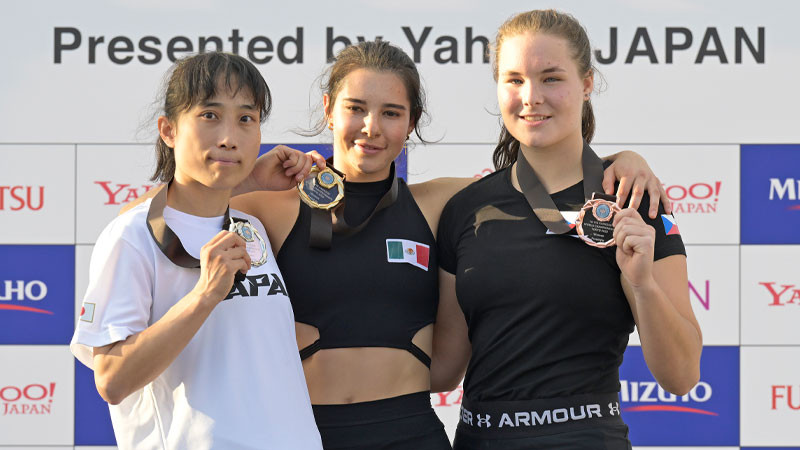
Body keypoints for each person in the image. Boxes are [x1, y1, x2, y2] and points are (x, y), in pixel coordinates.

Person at [123, 42, 669, 449]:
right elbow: (151, 224)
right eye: (356, 108)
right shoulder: (270, 209)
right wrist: (246, 179)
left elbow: (545, 174)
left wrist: (623, 160)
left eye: (392, 113)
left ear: (411, 125)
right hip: (301, 434)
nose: (371, 128)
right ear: (329, 108)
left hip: (411, 434)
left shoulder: (442, 204)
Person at [433, 10, 703, 450]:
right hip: (480, 439)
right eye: (514, 79)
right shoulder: (466, 208)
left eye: (551, 78)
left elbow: (682, 375)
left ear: (588, 83)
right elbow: (443, 368)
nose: (531, 97)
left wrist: (644, 285)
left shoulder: (636, 202)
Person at [71, 52, 322, 449]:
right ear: (168, 131)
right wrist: (205, 295)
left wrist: (250, 181)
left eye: (246, 118)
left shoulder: (250, 227)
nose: (229, 137)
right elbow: (111, 379)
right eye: (209, 115)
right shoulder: (131, 236)